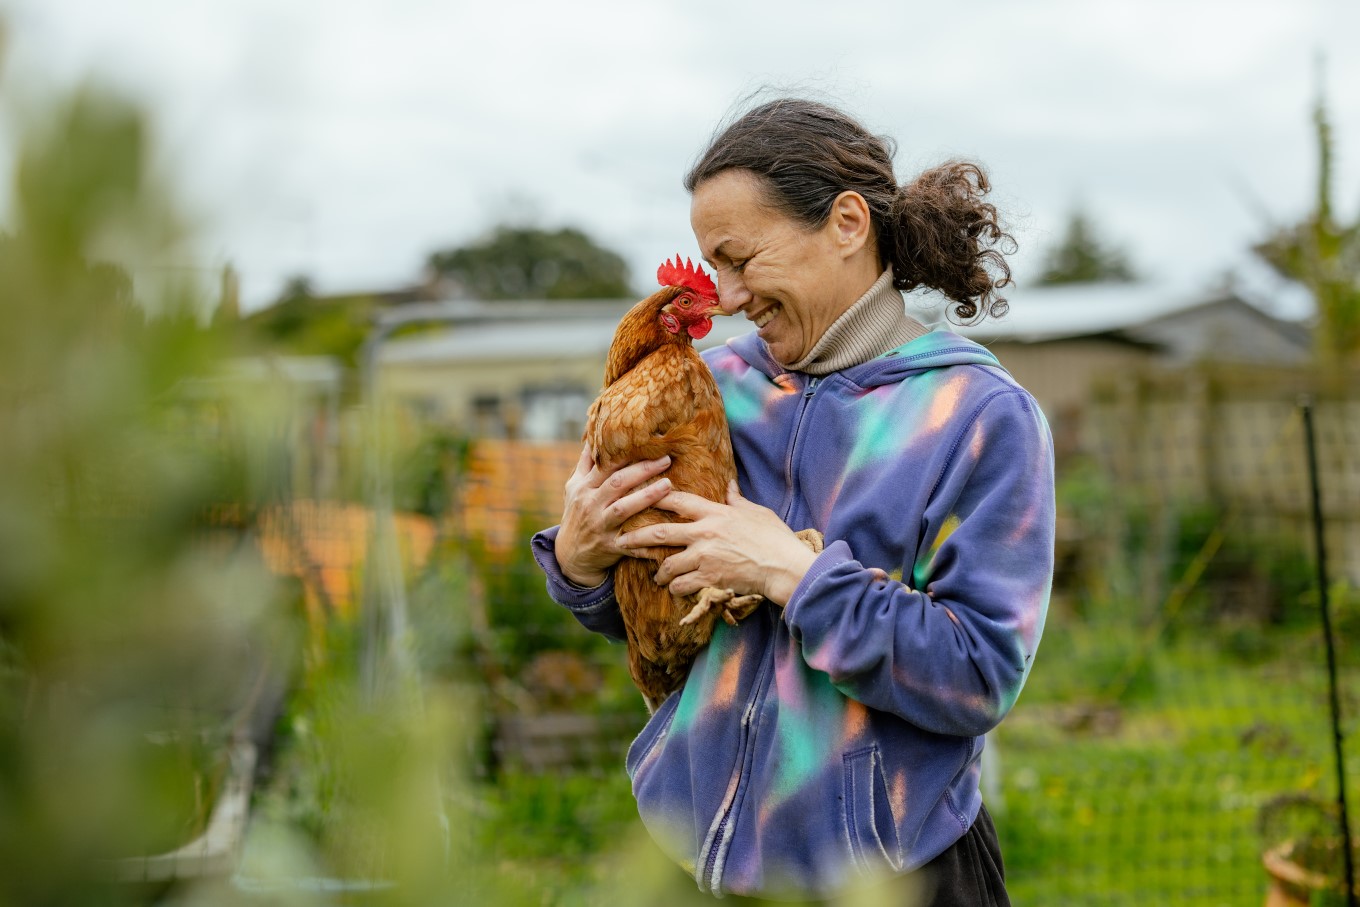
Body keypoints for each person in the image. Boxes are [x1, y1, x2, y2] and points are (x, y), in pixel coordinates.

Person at [531, 97, 1054, 905]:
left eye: (740, 260)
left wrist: (796, 577)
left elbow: (978, 673)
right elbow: (658, 612)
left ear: (847, 223)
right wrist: (582, 559)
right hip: (694, 862)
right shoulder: (716, 390)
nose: (730, 298)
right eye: (718, 267)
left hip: (885, 873)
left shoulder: (978, 416)